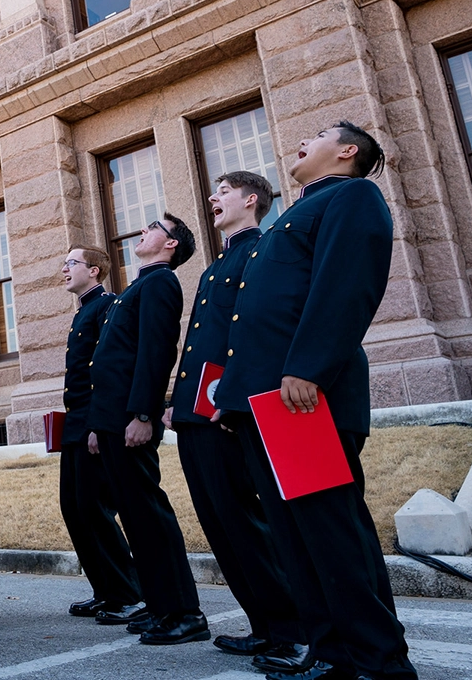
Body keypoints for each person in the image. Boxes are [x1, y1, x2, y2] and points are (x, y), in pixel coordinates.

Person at [215, 122, 415, 680]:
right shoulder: (296, 213)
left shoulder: (352, 195)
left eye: (321, 134)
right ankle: (331, 654)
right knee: (297, 537)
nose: (302, 138)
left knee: (330, 535)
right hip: (266, 402)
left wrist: (309, 367)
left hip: (303, 396)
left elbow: (347, 285)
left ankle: (377, 661)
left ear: (347, 151)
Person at [164, 172, 305, 664]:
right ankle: (264, 624)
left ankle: (287, 626)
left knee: (245, 521)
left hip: (224, 411)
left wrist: (235, 396)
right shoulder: (222, 260)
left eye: (222, 192)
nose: (212, 198)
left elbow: (247, 335)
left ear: (251, 201)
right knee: (221, 523)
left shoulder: (259, 251)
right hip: (196, 411)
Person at [88, 212, 208, 646]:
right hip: (112, 420)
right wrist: (99, 425)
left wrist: (143, 414)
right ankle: (159, 605)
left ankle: (183, 612)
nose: (144, 230)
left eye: (154, 227)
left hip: (130, 419)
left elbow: (156, 353)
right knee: (135, 519)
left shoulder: (160, 283)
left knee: (149, 517)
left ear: (170, 244)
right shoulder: (138, 285)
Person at [59, 246, 142, 621]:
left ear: (94, 271)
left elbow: (108, 369)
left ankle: (127, 592)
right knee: (75, 507)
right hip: (75, 420)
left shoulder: (107, 304)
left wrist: (98, 423)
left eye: (71, 263)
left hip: (92, 420)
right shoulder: (83, 310)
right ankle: (104, 589)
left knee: (95, 507)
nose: (64, 269)